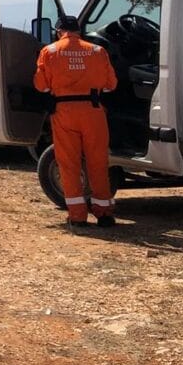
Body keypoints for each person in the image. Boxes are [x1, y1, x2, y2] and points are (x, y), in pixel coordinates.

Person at [34, 15, 118, 230]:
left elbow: (41, 86)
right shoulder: (98, 51)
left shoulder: (50, 51)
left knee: (69, 164)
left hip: (64, 111)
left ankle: (78, 217)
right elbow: (111, 85)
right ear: (79, 30)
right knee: (98, 162)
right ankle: (104, 214)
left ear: (58, 30)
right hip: (93, 110)